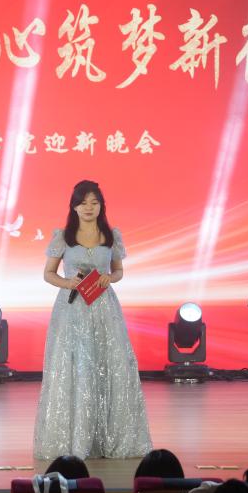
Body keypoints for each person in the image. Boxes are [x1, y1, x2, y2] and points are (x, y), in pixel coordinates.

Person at [33, 180, 152, 459]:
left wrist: (110, 277)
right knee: (75, 367)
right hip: (72, 308)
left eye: (94, 202)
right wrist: (68, 283)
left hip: (104, 308)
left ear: (101, 206)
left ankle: (105, 437)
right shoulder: (63, 236)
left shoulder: (110, 235)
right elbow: (48, 273)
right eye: (83, 202)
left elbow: (118, 270)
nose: (88, 207)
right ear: (74, 206)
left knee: (107, 365)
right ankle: (75, 440)